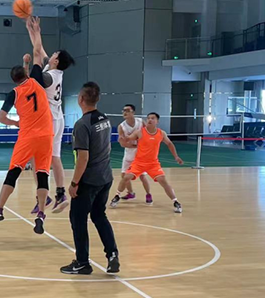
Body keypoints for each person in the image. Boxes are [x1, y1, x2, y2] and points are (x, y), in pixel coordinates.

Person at [0, 63, 54, 235]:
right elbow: (36, 61)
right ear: (26, 74)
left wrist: (15, 123)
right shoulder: (36, 82)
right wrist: (27, 62)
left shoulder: (14, 93)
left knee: (14, 172)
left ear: (13, 80)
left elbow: (1, 118)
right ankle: (41, 214)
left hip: (27, 136)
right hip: (46, 135)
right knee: (42, 174)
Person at [60, 82, 119, 275]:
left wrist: (74, 183)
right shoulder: (105, 119)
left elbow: (83, 158)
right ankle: (112, 254)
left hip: (89, 180)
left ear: (81, 99)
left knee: (77, 219)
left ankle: (82, 262)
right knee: (99, 215)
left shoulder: (82, 125)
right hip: (106, 177)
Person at [25, 17, 76, 214]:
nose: (51, 54)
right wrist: (33, 30)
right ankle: (60, 193)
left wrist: (35, 31)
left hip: (49, 121)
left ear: (56, 60)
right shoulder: (56, 70)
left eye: (54, 54)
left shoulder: (48, 77)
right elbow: (39, 49)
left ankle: (44, 195)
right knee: (55, 157)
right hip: (58, 118)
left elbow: (38, 52)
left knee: (37, 159)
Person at [113, 113, 184, 213]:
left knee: (163, 181)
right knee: (126, 177)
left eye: (152, 118)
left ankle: (175, 202)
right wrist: (122, 137)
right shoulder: (140, 132)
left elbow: (169, 144)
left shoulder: (161, 133)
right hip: (138, 163)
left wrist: (176, 156)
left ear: (157, 121)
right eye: (148, 118)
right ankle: (117, 196)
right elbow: (128, 138)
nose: (150, 120)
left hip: (153, 164)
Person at [110, 104, 152, 207]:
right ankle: (131, 193)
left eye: (127, 110)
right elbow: (123, 144)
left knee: (142, 176)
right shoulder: (121, 126)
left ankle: (148, 194)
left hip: (140, 155)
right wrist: (136, 144)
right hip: (129, 154)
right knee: (124, 175)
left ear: (133, 112)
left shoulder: (140, 122)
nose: (125, 112)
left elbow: (148, 134)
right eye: (123, 110)